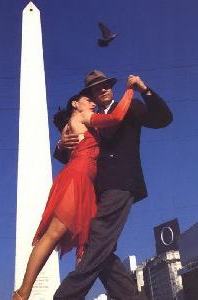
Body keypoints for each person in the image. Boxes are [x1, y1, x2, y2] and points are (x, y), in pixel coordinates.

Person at [53, 70, 173, 300]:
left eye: (107, 85)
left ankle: (65, 296)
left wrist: (144, 89)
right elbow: (66, 156)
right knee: (102, 250)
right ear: (92, 96)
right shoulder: (88, 118)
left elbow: (163, 119)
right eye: (98, 88)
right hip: (95, 190)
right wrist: (61, 144)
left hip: (121, 182)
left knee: (96, 240)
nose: (104, 89)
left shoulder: (130, 107)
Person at [13, 80, 135, 300]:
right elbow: (115, 117)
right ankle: (23, 294)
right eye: (87, 99)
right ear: (75, 104)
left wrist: (61, 143)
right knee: (54, 234)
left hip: (87, 185)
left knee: (85, 245)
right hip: (77, 178)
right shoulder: (81, 117)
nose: (92, 103)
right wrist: (130, 91)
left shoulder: (78, 125)